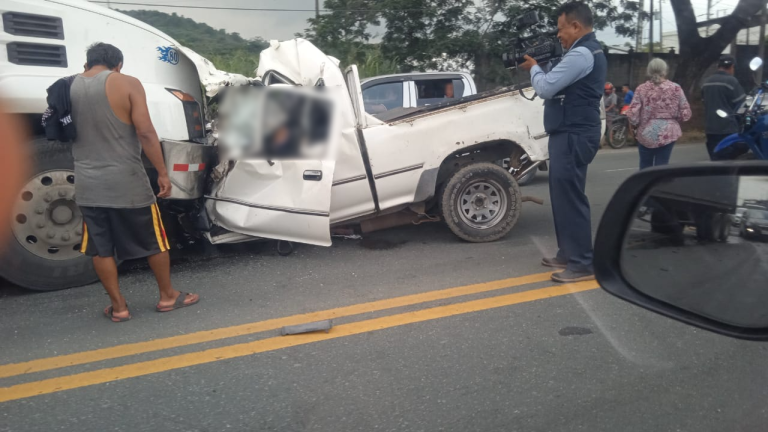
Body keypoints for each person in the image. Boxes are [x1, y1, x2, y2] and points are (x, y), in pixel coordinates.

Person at [71, 43, 199, 322]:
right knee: (154, 240)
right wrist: (162, 173)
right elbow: (145, 132)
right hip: (127, 181)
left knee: (101, 248)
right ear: (117, 64)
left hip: (88, 184)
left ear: (87, 64)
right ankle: (167, 296)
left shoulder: (68, 87)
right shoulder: (126, 83)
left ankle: (119, 308)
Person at [520, 1, 606, 283]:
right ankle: (568, 253)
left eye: (561, 29)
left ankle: (583, 263)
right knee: (561, 195)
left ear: (576, 26)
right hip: (568, 132)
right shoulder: (582, 52)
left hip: (575, 133)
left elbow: (545, 87)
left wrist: (534, 68)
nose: (558, 35)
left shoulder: (581, 54)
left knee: (571, 197)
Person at [627, 58, 692, 169]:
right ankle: (659, 185)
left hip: (645, 133)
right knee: (662, 165)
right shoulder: (676, 88)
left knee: (645, 166)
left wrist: (634, 125)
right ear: (665, 70)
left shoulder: (641, 89)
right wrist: (674, 120)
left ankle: (645, 186)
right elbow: (685, 113)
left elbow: (633, 115)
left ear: (649, 71)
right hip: (669, 133)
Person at [702, 54, 746, 160]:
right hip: (728, 129)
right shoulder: (731, 81)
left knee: (715, 161)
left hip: (710, 129)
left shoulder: (706, 82)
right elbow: (742, 105)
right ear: (731, 67)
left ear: (719, 66)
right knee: (729, 163)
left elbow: (705, 102)